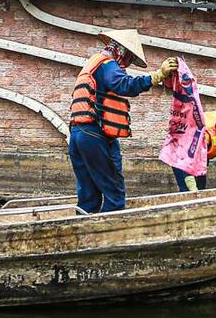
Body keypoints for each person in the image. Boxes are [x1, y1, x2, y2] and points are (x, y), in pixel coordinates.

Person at [68, 28, 177, 214]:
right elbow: (124, 85)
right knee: (114, 193)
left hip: (78, 134)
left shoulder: (93, 63)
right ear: (121, 51)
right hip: (95, 134)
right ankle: (110, 233)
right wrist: (157, 76)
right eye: (127, 58)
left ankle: (83, 230)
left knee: (89, 195)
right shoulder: (108, 65)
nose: (126, 64)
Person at [171, 110, 216, 192]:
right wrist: (192, 190)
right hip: (180, 155)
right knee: (187, 189)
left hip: (201, 154)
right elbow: (187, 164)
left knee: (201, 185)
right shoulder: (203, 137)